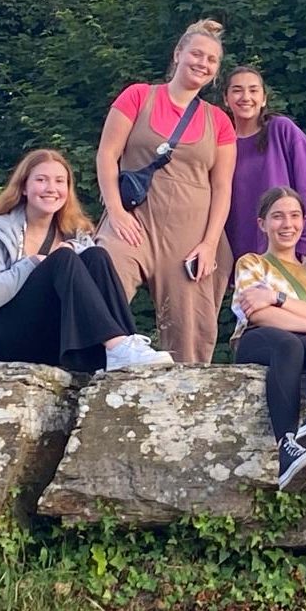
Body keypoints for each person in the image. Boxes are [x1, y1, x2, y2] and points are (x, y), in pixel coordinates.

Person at [95, 19, 236, 363]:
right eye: (196, 54)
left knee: (190, 332)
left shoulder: (218, 120)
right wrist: (115, 212)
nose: (202, 63)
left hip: (192, 236)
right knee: (99, 281)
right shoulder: (138, 96)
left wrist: (209, 244)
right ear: (178, 54)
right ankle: (91, 368)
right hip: (133, 221)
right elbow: (107, 155)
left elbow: (222, 187)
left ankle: (188, 403)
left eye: (211, 60)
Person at [0, 149, 172, 372]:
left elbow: (95, 293)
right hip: (2, 340)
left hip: (53, 338)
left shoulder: (76, 234)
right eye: (41, 180)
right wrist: (32, 263)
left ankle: (124, 345)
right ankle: (117, 346)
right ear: (23, 187)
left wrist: (71, 249)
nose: (51, 188)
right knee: (63, 259)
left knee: (97, 256)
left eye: (60, 181)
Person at [232, 186, 306, 492]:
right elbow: (257, 315)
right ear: (262, 224)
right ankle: (286, 447)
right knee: (291, 344)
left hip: (302, 343)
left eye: (295, 216)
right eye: (278, 217)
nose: (287, 224)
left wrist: (275, 297)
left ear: (304, 221)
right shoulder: (252, 263)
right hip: (259, 340)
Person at [223, 65, 306, 261]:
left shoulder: (281, 131)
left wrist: (304, 249)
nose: (246, 97)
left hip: (289, 254)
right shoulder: (221, 143)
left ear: (263, 99)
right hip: (242, 261)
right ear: (225, 99)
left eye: (253, 90)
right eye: (237, 90)